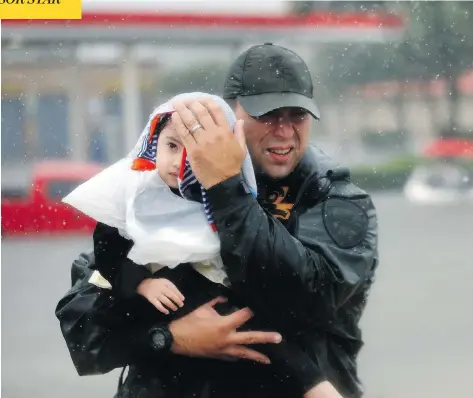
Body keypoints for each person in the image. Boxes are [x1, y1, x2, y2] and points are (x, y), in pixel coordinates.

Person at [56, 43, 378, 398]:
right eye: (267, 114)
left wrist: (226, 188)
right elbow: (82, 325)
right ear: (229, 116)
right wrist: (169, 337)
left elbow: (306, 300)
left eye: (296, 115)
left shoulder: (334, 200)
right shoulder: (165, 191)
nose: (284, 131)